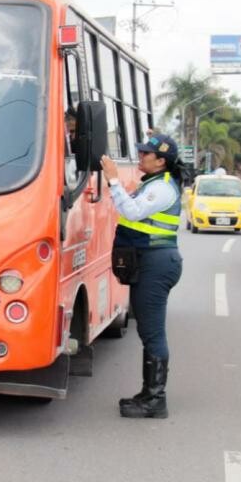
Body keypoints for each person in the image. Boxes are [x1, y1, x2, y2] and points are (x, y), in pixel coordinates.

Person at [100, 134, 184, 419]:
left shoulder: (161, 188)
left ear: (161, 161)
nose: (141, 156)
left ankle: (155, 399)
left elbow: (133, 212)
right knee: (148, 330)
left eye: (146, 153)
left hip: (156, 264)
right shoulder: (152, 183)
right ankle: (148, 393)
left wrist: (113, 180)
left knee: (152, 332)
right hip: (150, 262)